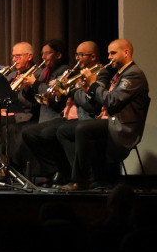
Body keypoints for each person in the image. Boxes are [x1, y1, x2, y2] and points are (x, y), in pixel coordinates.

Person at [58, 39, 150, 191]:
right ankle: (88, 176)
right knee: (63, 131)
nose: (109, 57)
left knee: (83, 128)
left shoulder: (134, 74)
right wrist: (88, 89)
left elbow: (112, 101)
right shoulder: (122, 74)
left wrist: (93, 84)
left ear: (126, 53)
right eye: (108, 54)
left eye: (113, 53)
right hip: (112, 121)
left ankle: (79, 180)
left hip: (122, 127)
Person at [22, 41, 100, 186]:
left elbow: (58, 103)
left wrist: (64, 89)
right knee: (28, 132)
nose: (43, 57)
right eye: (42, 53)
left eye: (47, 53)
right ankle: (55, 171)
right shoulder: (47, 72)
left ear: (58, 55)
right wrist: (28, 90)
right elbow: (40, 100)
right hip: (54, 116)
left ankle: (66, 173)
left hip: (67, 116)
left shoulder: (65, 70)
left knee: (49, 133)